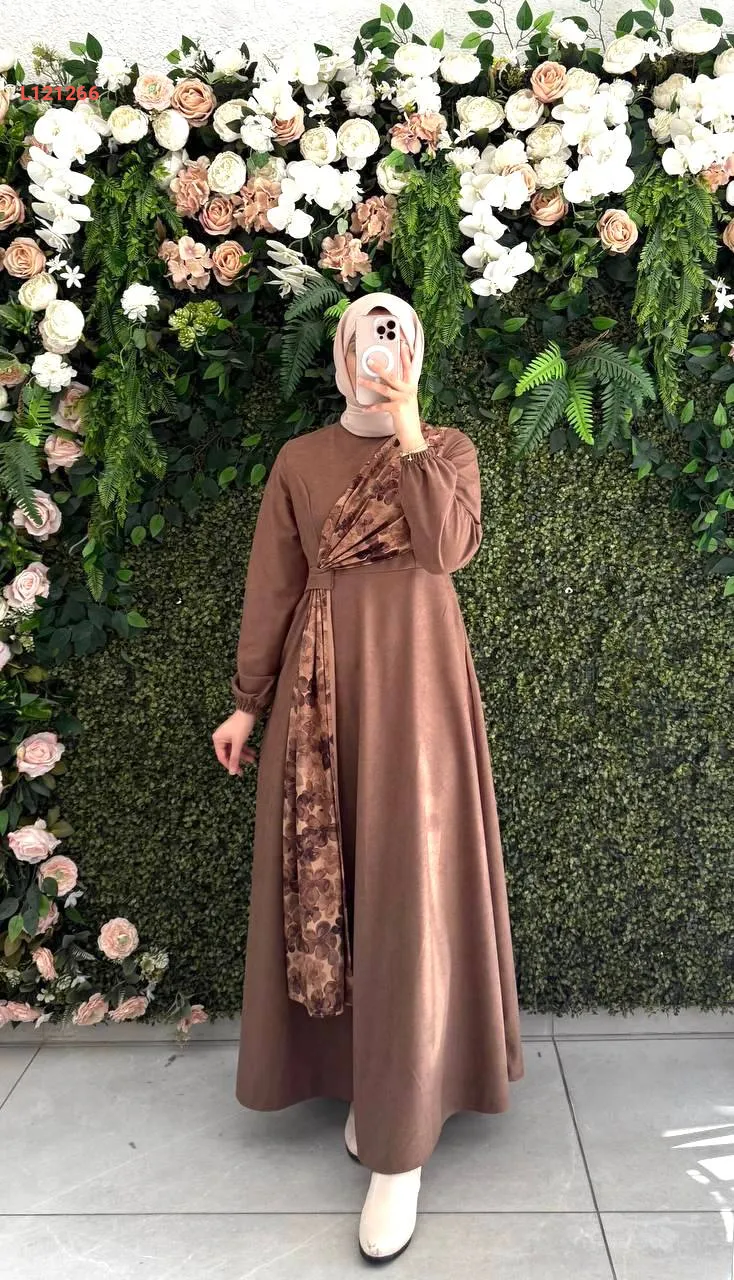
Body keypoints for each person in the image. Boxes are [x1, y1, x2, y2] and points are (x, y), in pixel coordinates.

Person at [212, 291, 525, 1264]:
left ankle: (400, 1143)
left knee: (406, 893)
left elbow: (447, 549)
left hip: (419, 703)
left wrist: (410, 425)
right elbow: (272, 584)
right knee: (334, 892)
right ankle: (368, 1084)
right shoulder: (300, 460)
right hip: (321, 699)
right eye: (361, 336)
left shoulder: (450, 450)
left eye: (394, 336)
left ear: (414, 353)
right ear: (339, 354)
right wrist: (246, 701)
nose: (375, 353)